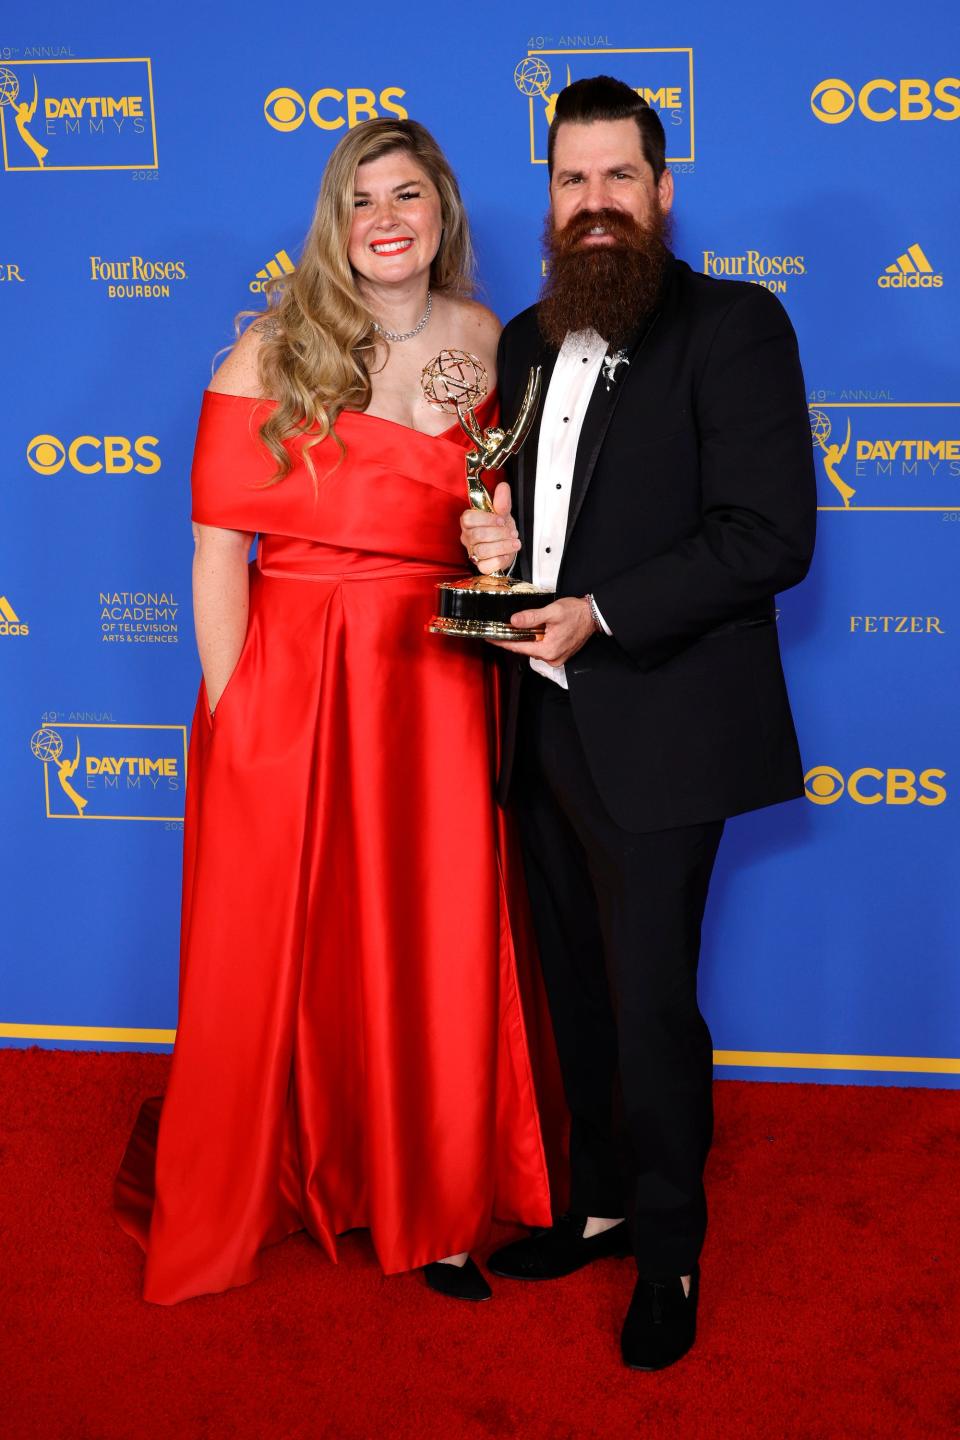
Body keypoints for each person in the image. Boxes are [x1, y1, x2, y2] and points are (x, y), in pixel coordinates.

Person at [114, 118, 554, 1306]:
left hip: (434, 676)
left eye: (407, 193)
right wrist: (235, 704)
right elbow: (216, 552)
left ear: (442, 208)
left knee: (436, 932)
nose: (386, 219)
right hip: (293, 675)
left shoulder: (485, 341)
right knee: (291, 944)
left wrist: (497, 543)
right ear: (336, 224)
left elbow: (492, 518)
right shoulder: (270, 349)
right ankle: (307, 1168)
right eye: (361, 202)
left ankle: (440, 1205)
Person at [461, 76, 816, 1369]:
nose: (594, 204)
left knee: (653, 999)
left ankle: (670, 1249)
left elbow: (770, 535)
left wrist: (599, 611)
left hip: (664, 725)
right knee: (571, 991)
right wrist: (505, 561)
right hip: (536, 724)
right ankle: (602, 1203)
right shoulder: (521, 341)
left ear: (662, 194)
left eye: (619, 179)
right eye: (572, 181)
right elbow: (532, 526)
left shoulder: (735, 327)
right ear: (548, 198)